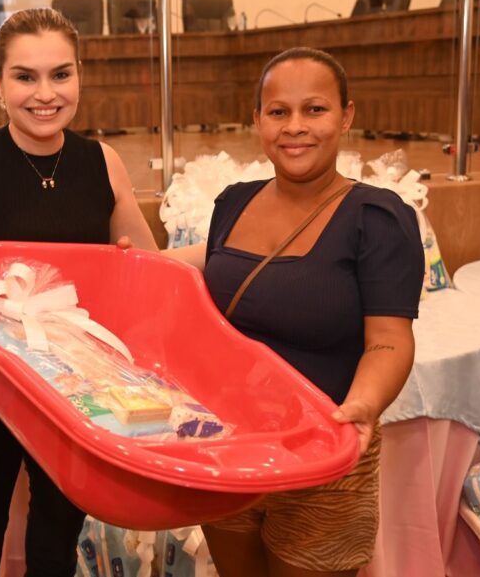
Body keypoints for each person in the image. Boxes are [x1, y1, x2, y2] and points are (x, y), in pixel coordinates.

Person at [164, 47, 424, 576]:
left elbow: (388, 338)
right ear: (257, 120)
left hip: (324, 455)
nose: (295, 127)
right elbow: (217, 267)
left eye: (315, 109)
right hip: (229, 445)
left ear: (346, 116)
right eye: (278, 111)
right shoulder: (233, 202)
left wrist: (363, 405)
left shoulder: (377, 218)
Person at [0, 7, 158, 577]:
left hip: (74, 397)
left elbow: (152, 270)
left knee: (54, 557)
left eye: (61, 74)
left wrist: (232, 247)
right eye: (25, 76)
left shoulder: (104, 163)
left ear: (80, 76)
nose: (45, 94)